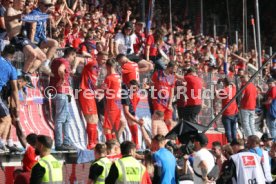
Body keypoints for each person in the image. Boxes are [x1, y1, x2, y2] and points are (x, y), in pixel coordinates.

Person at [5, 0, 47, 86]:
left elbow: (30, 20)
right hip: (16, 38)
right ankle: (22, 76)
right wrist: (18, 16)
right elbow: (8, 18)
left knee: (43, 57)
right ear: (16, 1)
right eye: (22, 1)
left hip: (23, 38)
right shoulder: (10, 10)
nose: (24, 3)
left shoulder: (21, 12)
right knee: (33, 55)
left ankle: (28, 75)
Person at [79, 51, 108, 149]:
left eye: (105, 59)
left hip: (90, 93)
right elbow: (79, 58)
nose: (104, 61)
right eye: (103, 58)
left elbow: (92, 84)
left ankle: (94, 142)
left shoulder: (97, 68)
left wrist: (100, 87)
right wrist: (74, 68)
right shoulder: (93, 62)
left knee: (95, 119)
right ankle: (91, 143)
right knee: (92, 118)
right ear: (98, 57)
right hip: (85, 93)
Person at [49, 47, 76, 151]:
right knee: (60, 119)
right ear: (71, 54)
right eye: (74, 56)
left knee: (67, 119)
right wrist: (63, 79)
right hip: (61, 92)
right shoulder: (64, 61)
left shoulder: (55, 60)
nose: (74, 58)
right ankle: (60, 143)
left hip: (56, 92)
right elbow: (61, 69)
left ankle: (66, 142)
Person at [28, 0, 58, 74]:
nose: (47, 7)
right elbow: (32, 29)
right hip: (34, 40)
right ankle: (29, 73)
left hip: (40, 39)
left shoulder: (43, 14)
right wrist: (31, 43)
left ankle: (31, 72)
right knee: (42, 56)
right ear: (39, 4)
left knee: (54, 45)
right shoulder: (35, 13)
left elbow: (50, 27)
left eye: (49, 6)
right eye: (46, 5)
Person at [0, 45, 20, 152]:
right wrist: (17, 105)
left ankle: (3, 142)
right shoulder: (11, 68)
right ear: (12, 56)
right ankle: (3, 142)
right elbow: (15, 89)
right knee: (7, 119)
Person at [151, 61, 177, 130]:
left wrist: (170, 104)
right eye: (174, 70)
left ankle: (168, 138)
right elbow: (151, 84)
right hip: (158, 101)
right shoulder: (157, 74)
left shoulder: (172, 77)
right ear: (170, 68)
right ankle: (157, 136)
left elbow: (172, 91)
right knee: (159, 120)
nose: (175, 72)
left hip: (167, 102)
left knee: (169, 122)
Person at [103, 58, 123, 141]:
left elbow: (105, 91)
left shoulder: (109, 78)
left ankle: (110, 147)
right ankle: (115, 147)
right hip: (118, 103)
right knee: (114, 127)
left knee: (107, 128)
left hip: (111, 104)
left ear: (108, 67)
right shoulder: (119, 76)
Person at [121, 79, 144, 146]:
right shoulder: (125, 93)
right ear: (129, 85)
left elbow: (131, 110)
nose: (135, 91)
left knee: (132, 127)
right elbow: (127, 112)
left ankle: (135, 143)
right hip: (122, 112)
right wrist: (137, 121)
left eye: (136, 89)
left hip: (129, 112)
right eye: (134, 88)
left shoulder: (135, 95)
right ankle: (135, 144)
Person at [217, 77, 238, 143]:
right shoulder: (233, 89)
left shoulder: (224, 90)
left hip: (227, 112)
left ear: (224, 83)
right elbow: (233, 85)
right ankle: (235, 142)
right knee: (234, 129)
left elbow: (217, 95)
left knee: (228, 130)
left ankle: (229, 142)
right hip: (234, 111)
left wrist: (217, 85)